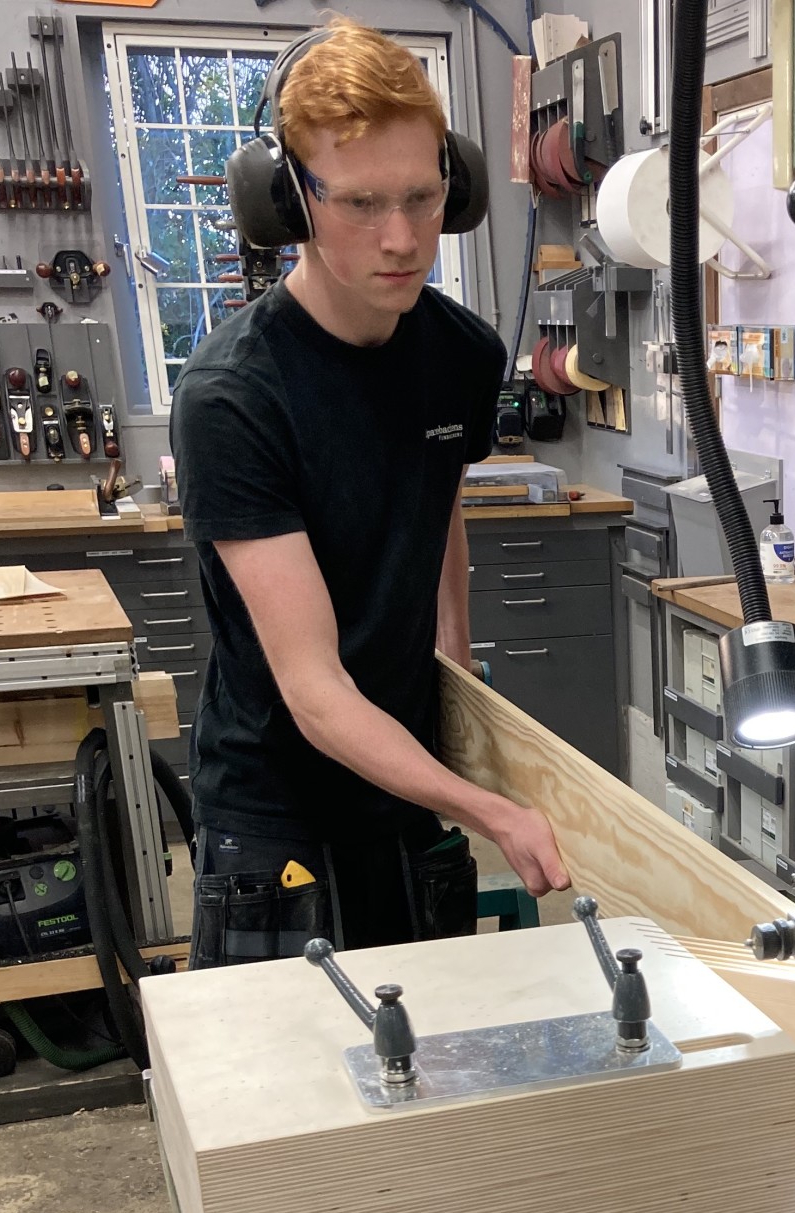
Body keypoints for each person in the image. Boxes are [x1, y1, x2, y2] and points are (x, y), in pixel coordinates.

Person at [171, 15, 569, 965]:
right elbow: (313, 691)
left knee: (431, 1046)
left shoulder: (462, 353)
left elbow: (437, 508)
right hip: (276, 816)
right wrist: (488, 808)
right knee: (292, 1062)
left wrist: (454, 670)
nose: (402, 239)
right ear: (290, 202)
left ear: (454, 187)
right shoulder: (235, 396)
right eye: (359, 204)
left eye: (422, 198)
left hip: (404, 791)